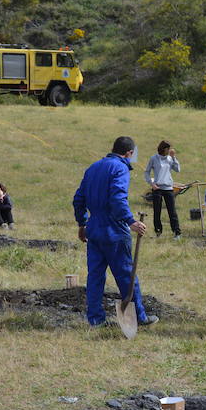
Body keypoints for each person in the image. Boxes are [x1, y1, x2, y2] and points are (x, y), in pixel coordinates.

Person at [73, 136, 158, 328]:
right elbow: (118, 199)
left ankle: (95, 320)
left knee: (95, 277)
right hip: (114, 230)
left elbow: (78, 199)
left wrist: (82, 224)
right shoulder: (120, 168)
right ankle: (139, 317)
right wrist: (131, 221)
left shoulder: (93, 168)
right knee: (127, 276)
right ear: (129, 153)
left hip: (93, 229)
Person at [144, 140, 181, 238]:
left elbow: (177, 169)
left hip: (168, 188)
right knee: (157, 211)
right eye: (168, 149)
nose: (170, 150)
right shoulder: (154, 158)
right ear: (164, 149)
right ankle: (158, 231)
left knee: (172, 211)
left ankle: (177, 233)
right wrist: (151, 184)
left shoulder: (170, 158)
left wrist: (174, 157)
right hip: (157, 188)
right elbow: (146, 172)